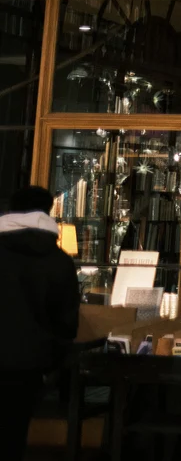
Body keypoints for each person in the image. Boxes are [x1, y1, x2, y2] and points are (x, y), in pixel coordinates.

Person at [0, 187, 80, 459]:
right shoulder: (59, 262)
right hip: (28, 364)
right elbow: (67, 324)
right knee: (12, 435)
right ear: (47, 211)